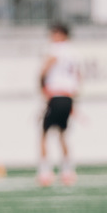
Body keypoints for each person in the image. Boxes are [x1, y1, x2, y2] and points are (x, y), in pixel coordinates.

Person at [36, 23, 81, 187]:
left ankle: (45, 172)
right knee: (62, 134)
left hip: (55, 95)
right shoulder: (74, 52)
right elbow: (78, 76)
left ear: (61, 34)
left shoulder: (55, 50)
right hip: (68, 96)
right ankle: (68, 171)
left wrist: (42, 89)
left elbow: (44, 71)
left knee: (44, 134)